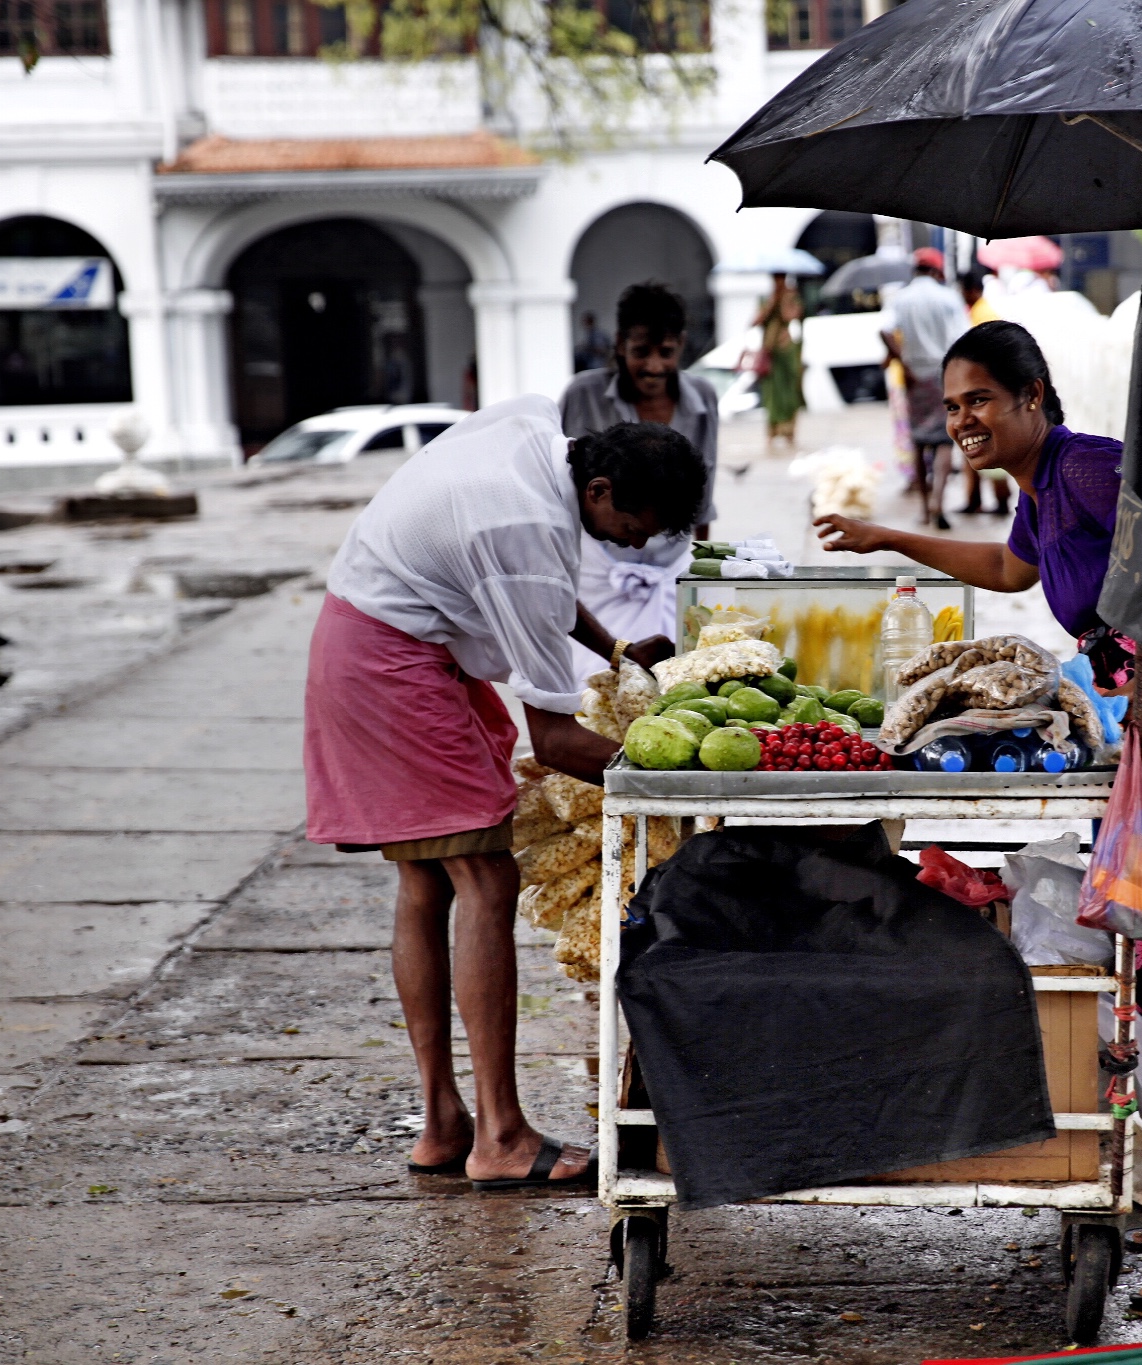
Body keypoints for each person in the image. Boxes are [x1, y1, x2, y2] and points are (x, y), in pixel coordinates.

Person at [814, 321, 1142, 1305]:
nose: (962, 419)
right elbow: (1010, 574)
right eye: (951, 405)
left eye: (980, 401)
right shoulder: (1039, 494)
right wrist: (883, 538)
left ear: (1032, 396)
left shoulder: (1085, 469)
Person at [306, 402, 705, 1192]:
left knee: (425, 879)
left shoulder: (534, 436)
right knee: (487, 879)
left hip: (366, 637)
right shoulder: (521, 530)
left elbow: (540, 593)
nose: (637, 543)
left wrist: (615, 648)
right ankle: (501, 1136)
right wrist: (678, 778)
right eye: (637, 524)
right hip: (393, 665)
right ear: (598, 488)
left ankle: (444, 1121)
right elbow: (554, 743)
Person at [560, 282, 720, 672]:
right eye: (640, 353)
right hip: (598, 567)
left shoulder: (702, 399)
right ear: (619, 345)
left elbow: (701, 501)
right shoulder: (583, 393)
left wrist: (695, 583)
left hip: (670, 564)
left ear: (681, 346)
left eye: (666, 353)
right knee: (593, 675)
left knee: (668, 674)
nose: (653, 367)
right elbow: (561, 485)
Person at [880, 246, 971, 529]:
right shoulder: (948, 297)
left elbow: (884, 330)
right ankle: (938, 501)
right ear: (936, 271)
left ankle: (923, 507)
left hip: (913, 376)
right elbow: (963, 337)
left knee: (918, 441)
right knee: (944, 440)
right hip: (944, 375)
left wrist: (903, 364)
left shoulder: (901, 298)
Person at [955, 268, 1010, 516]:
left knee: (985, 446)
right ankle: (976, 498)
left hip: (983, 392)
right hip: (979, 391)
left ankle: (999, 499)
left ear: (971, 290)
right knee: (975, 445)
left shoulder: (982, 315)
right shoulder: (978, 312)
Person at [755, 273, 806, 449]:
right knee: (772, 394)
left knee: (790, 392)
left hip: (786, 350)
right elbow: (755, 321)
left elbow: (792, 316)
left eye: (781, 278)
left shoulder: (792, 297)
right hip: (770, 351)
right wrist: (771, 303)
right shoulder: (765, 299)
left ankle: (789, 432)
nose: (778, 282)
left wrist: (785, 299)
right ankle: (772, 432)